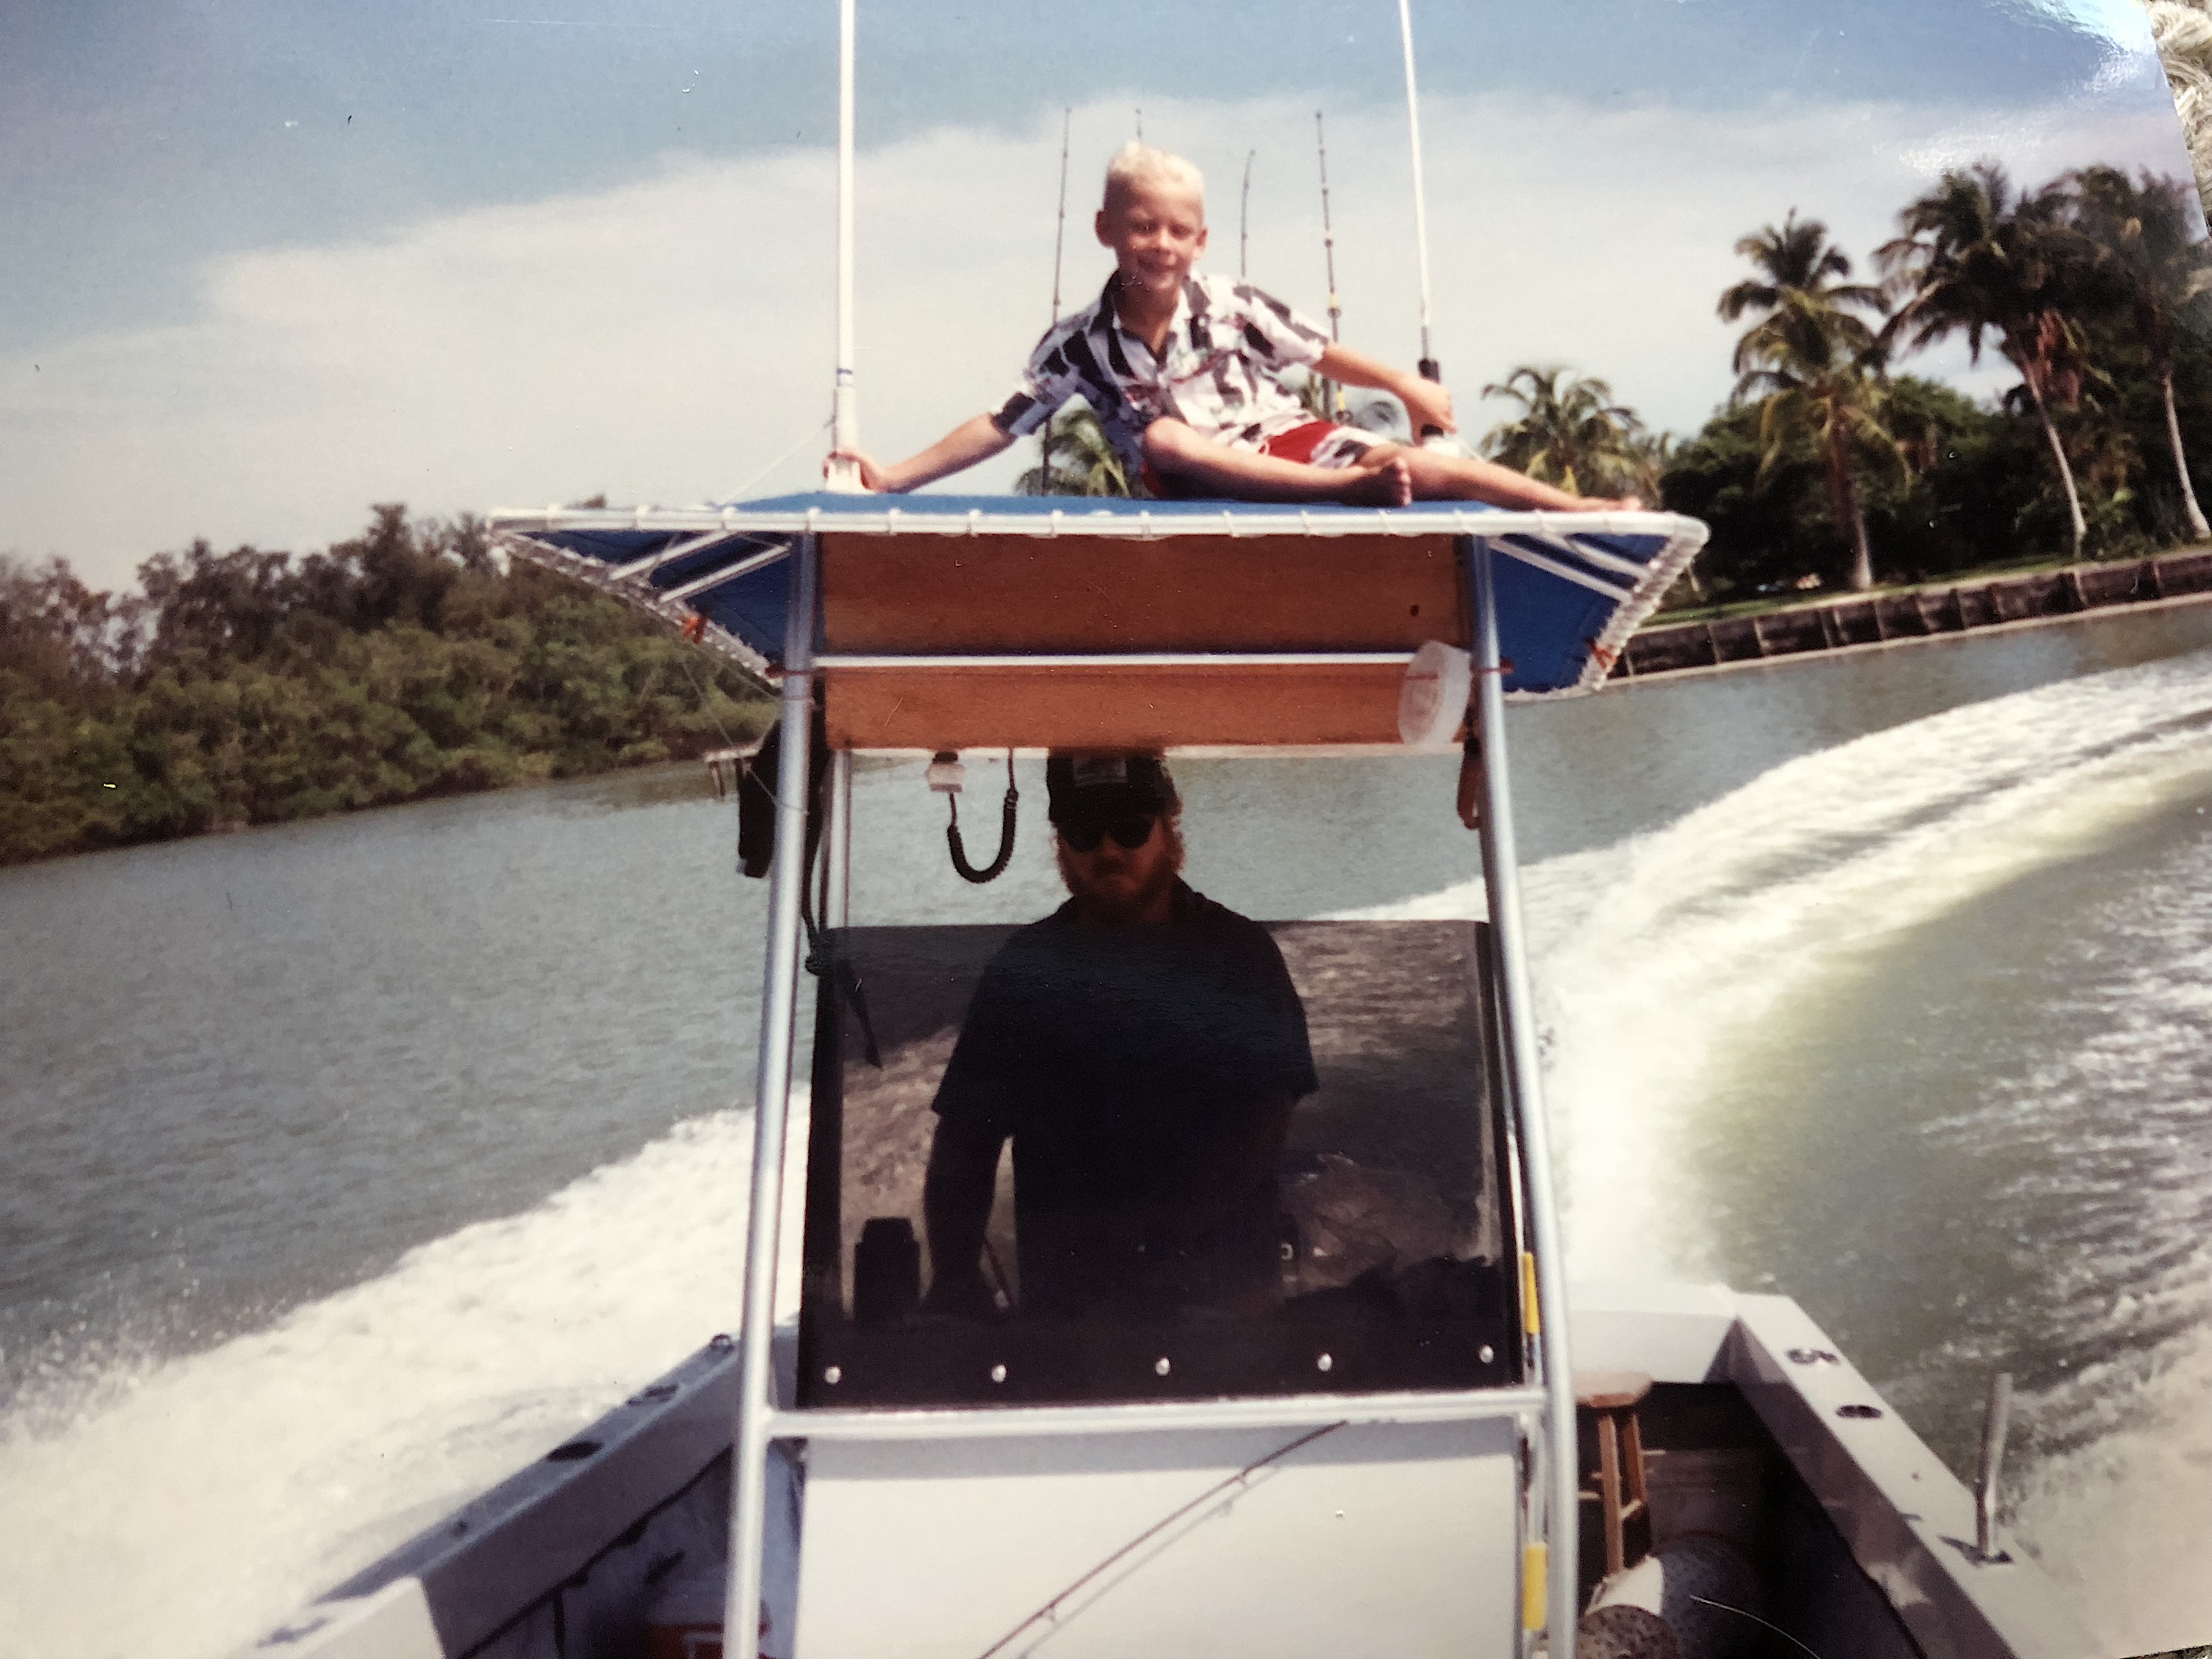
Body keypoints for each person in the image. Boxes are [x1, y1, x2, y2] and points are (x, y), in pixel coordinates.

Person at [831, 141, 1641, 512]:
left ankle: (1571, 510)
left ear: (1201, 241)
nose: (1161, 245)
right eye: (1143, 227)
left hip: (1284, 443)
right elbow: (1002, 424)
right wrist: (895, 477)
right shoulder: (1077, 342)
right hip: (1187, 472)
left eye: (1178, 231)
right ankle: (1349, 494)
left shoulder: (1234, 304)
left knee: (1406, 459)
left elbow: (1321, 352)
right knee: (1165, 439)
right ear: (1106, 229)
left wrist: (1403, 383)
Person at [921, 753, 1318, 1322]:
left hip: (1224, 1309)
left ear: (1168, 830)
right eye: (1085, 832)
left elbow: (1262, 1126)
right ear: (1061, 842)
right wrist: (955, 1276)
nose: (1108, 851)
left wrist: (1161, 1253)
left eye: (1130, 829)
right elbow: (967, 1137)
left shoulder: (1240, 958)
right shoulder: (1025, 969)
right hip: (1072, 1314)